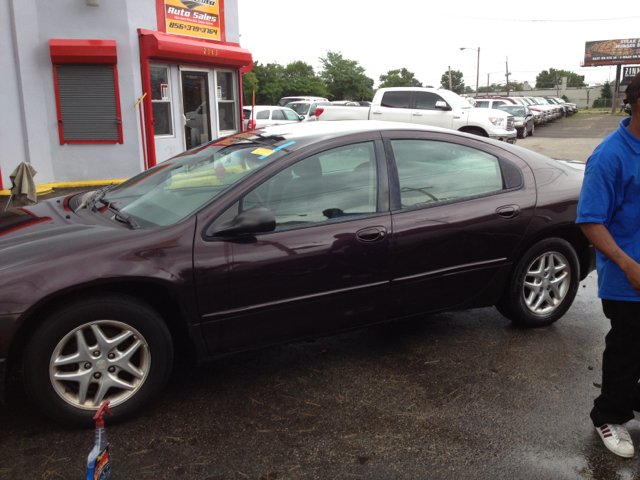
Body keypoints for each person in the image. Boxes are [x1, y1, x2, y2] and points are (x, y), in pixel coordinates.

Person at [576, 71, 640, 458]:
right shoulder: (610, 155)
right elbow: (590, 220)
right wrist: (628, 265)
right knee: (627, 349)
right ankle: (610, 416)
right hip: (628, 279)